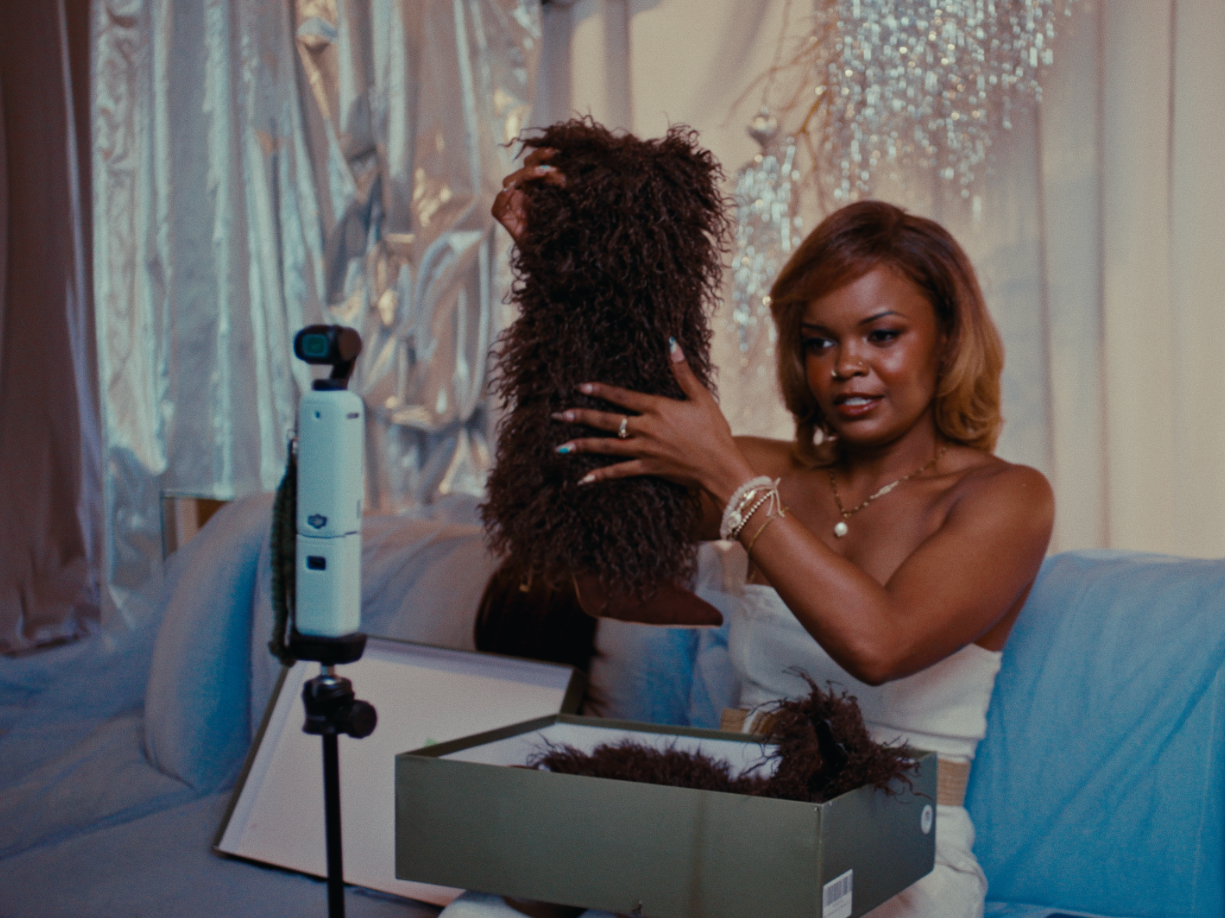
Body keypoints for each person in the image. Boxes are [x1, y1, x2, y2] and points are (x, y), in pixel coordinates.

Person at [452, 151, 1054, 918]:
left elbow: (881, 645)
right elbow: (591, 481)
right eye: (820, 341)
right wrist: (567, 277)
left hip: (899, 852)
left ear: (946, 337)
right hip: (738, 817)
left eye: (881, 334)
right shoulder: (778, 469)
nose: (847, 367)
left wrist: (731, 481)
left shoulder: (1005, 497)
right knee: (497, 899)